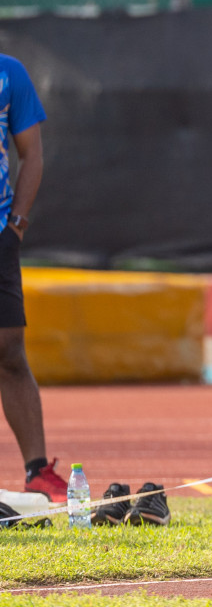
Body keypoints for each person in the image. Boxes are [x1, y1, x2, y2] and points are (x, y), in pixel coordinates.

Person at [0, 53, 66, 502]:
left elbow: (32, 152)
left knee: (9, 350)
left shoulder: (10, 72)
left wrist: (16, 227)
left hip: (0, 238)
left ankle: (38, 472)